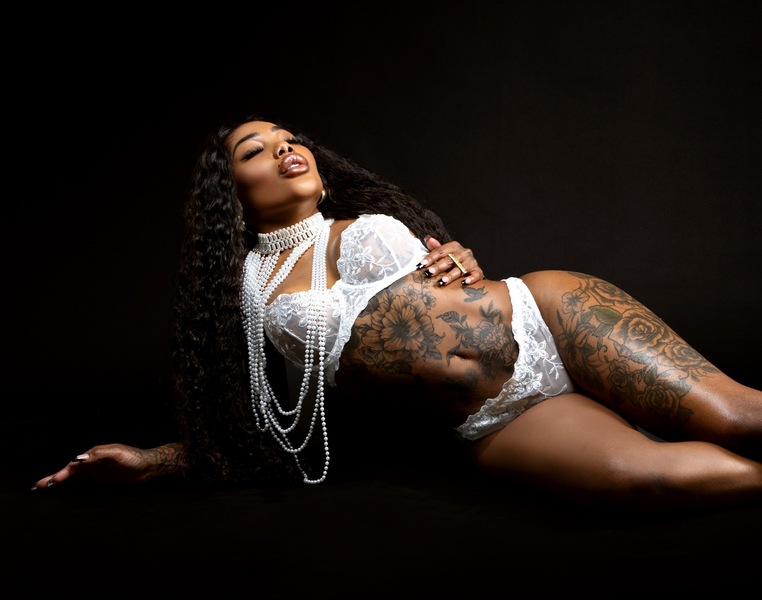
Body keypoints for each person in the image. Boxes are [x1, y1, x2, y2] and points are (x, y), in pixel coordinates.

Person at [32, 115, 762, 511]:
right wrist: (154, 462)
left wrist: (463, 259)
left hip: (547, 315)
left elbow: (450, 276)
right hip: (495, 417)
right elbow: (259, 423)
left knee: (734, 417)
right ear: (231, 192)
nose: (286, 150)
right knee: (649, 481)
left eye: (290, 139)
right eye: (257, 150)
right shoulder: (245, 294)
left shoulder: (366, 222)